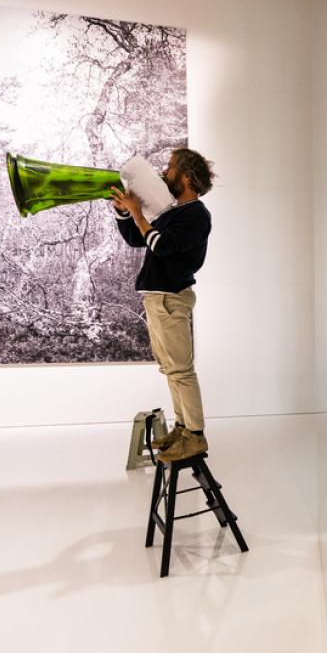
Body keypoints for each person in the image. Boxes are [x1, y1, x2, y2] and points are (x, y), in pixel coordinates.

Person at [110, 148, 215, 463]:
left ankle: (195, 436)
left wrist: (139, 214)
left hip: (170, 298)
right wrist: (125, 212)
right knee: (171, 369)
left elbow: (161, 245)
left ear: (186, 176)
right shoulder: (173, 212)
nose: (164, 172)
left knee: (181, 370)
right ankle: (183, 429)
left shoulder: (196, 214)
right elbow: (137, 238)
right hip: (159, 297)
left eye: (170, 167)